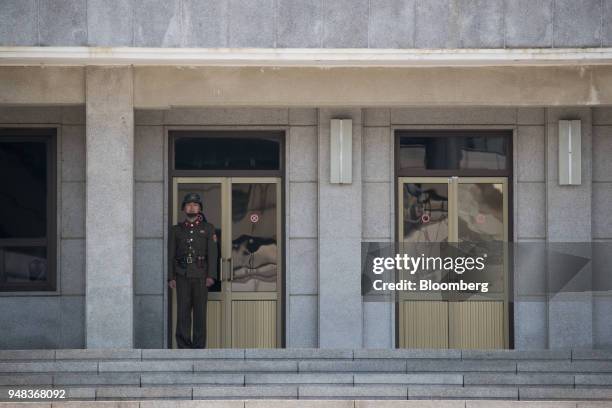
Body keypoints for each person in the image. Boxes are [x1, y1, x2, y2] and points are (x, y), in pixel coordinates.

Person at [168, 192, 218, 348]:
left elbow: (213, 253)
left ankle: (198, 347)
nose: (192, 207)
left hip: (201, 276)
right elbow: (171, 254)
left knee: (200, 314)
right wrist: (171, 276)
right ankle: (183, 346)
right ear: (184, 208)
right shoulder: (176, 230)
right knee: (182, 312)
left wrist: (211, 276)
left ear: (200, 209)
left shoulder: (208, 229)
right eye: (189, 204)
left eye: (195, 205)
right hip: (182, 275)